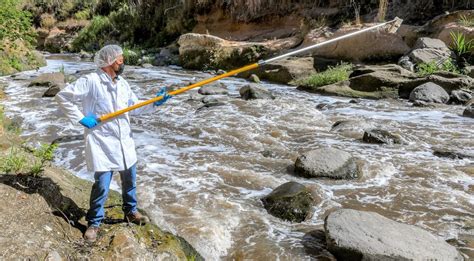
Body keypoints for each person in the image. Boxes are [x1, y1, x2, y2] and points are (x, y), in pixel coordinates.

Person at [55, 44, 171, 243]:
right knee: (102, 185)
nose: (122, 62)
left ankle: (130, 211)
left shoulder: (123, 83)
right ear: (109, 62)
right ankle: (94, 222)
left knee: (130, 181)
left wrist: (155, 102)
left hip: (124, 141)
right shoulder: (90, 81)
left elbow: (135, 108)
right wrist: (82, 118)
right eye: (119, 59)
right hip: (102, 143)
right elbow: (63, 97)